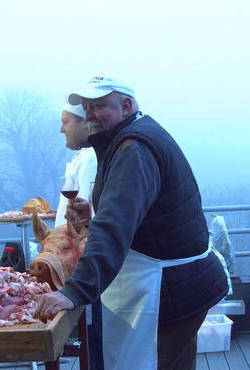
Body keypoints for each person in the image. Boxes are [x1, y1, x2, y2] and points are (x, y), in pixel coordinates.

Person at [36, 77, 229, 370]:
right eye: (86, 108)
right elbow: (140, 215)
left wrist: (75, 291)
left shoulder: (133, 150)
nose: (89, 115)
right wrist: (94, 216)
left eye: (99, 106)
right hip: (181, 286)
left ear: (126, 105)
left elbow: (113, 228)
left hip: (163, 291)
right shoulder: (130, 137)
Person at [55, 102, 103, 370]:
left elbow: (87, 215)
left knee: (96, 333)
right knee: (92, 332)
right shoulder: (82, 157)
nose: (61, 129)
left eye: (66, 122)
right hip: (78, 256)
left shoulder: (91, 159)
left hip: (85, 259)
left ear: (85, 123)